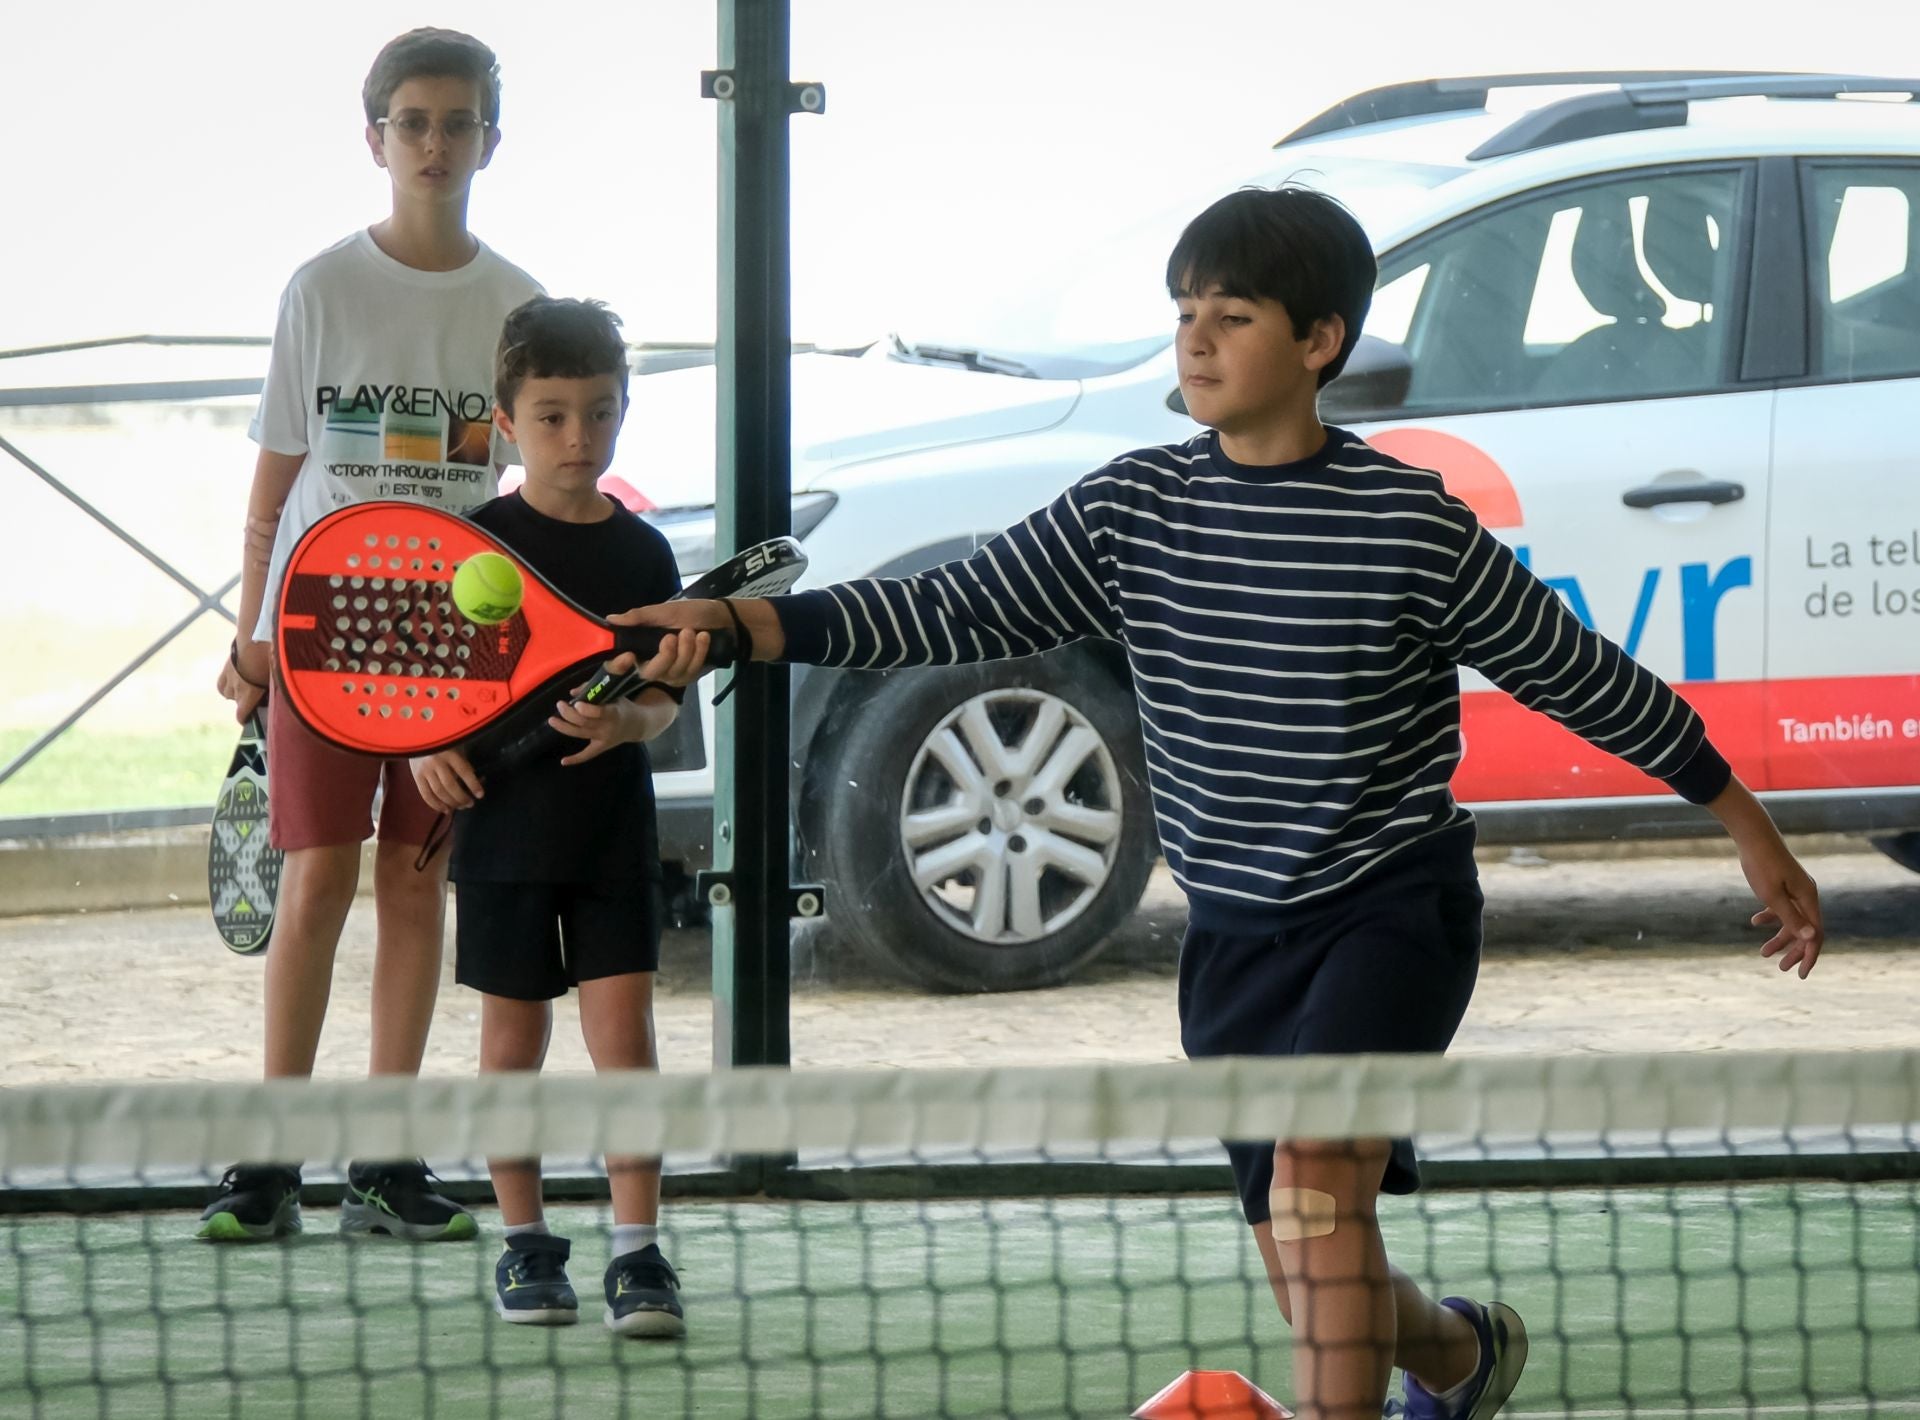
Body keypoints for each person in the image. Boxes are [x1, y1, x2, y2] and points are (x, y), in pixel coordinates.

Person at [618, 186, 1825, 1417]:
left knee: (1315, 1190)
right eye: (1185, 311)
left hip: (1387, 910)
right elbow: (946, 607)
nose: (1194, 339)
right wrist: (739, 624)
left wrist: (1746, 821)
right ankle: (1459, 1355)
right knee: (1313, 1258)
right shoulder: (1132, 509)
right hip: (1236, 939)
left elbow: (1578, 674)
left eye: (1232, 316)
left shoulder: (1405, 522)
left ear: (1319, 341)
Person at [206, 28, 543, 1244]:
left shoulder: (519, 307)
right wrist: (252, 632)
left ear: (490, 142)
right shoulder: (321, 290)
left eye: (458, 123)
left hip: (450, 648)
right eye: (413, 123)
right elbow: (272, 489)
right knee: (317, 880)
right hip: (319, 637)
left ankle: (383, 1161)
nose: (434, 144)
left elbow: (532, 492)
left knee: (414, 879)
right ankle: (271, 1159)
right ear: (375, 139)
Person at [410, 296, 699, 1337]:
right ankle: (526, 1243)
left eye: (600, 412)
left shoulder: (646, 555)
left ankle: (637, 1250)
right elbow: (425, 693)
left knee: (625, 1040)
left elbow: (664, 699)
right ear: (506, 421)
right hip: (502, 833)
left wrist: (629, 721)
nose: (580, 437)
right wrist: (428, 750)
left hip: (611, 832)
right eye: (552, 416)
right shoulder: (473, 547)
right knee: (511, 1043)